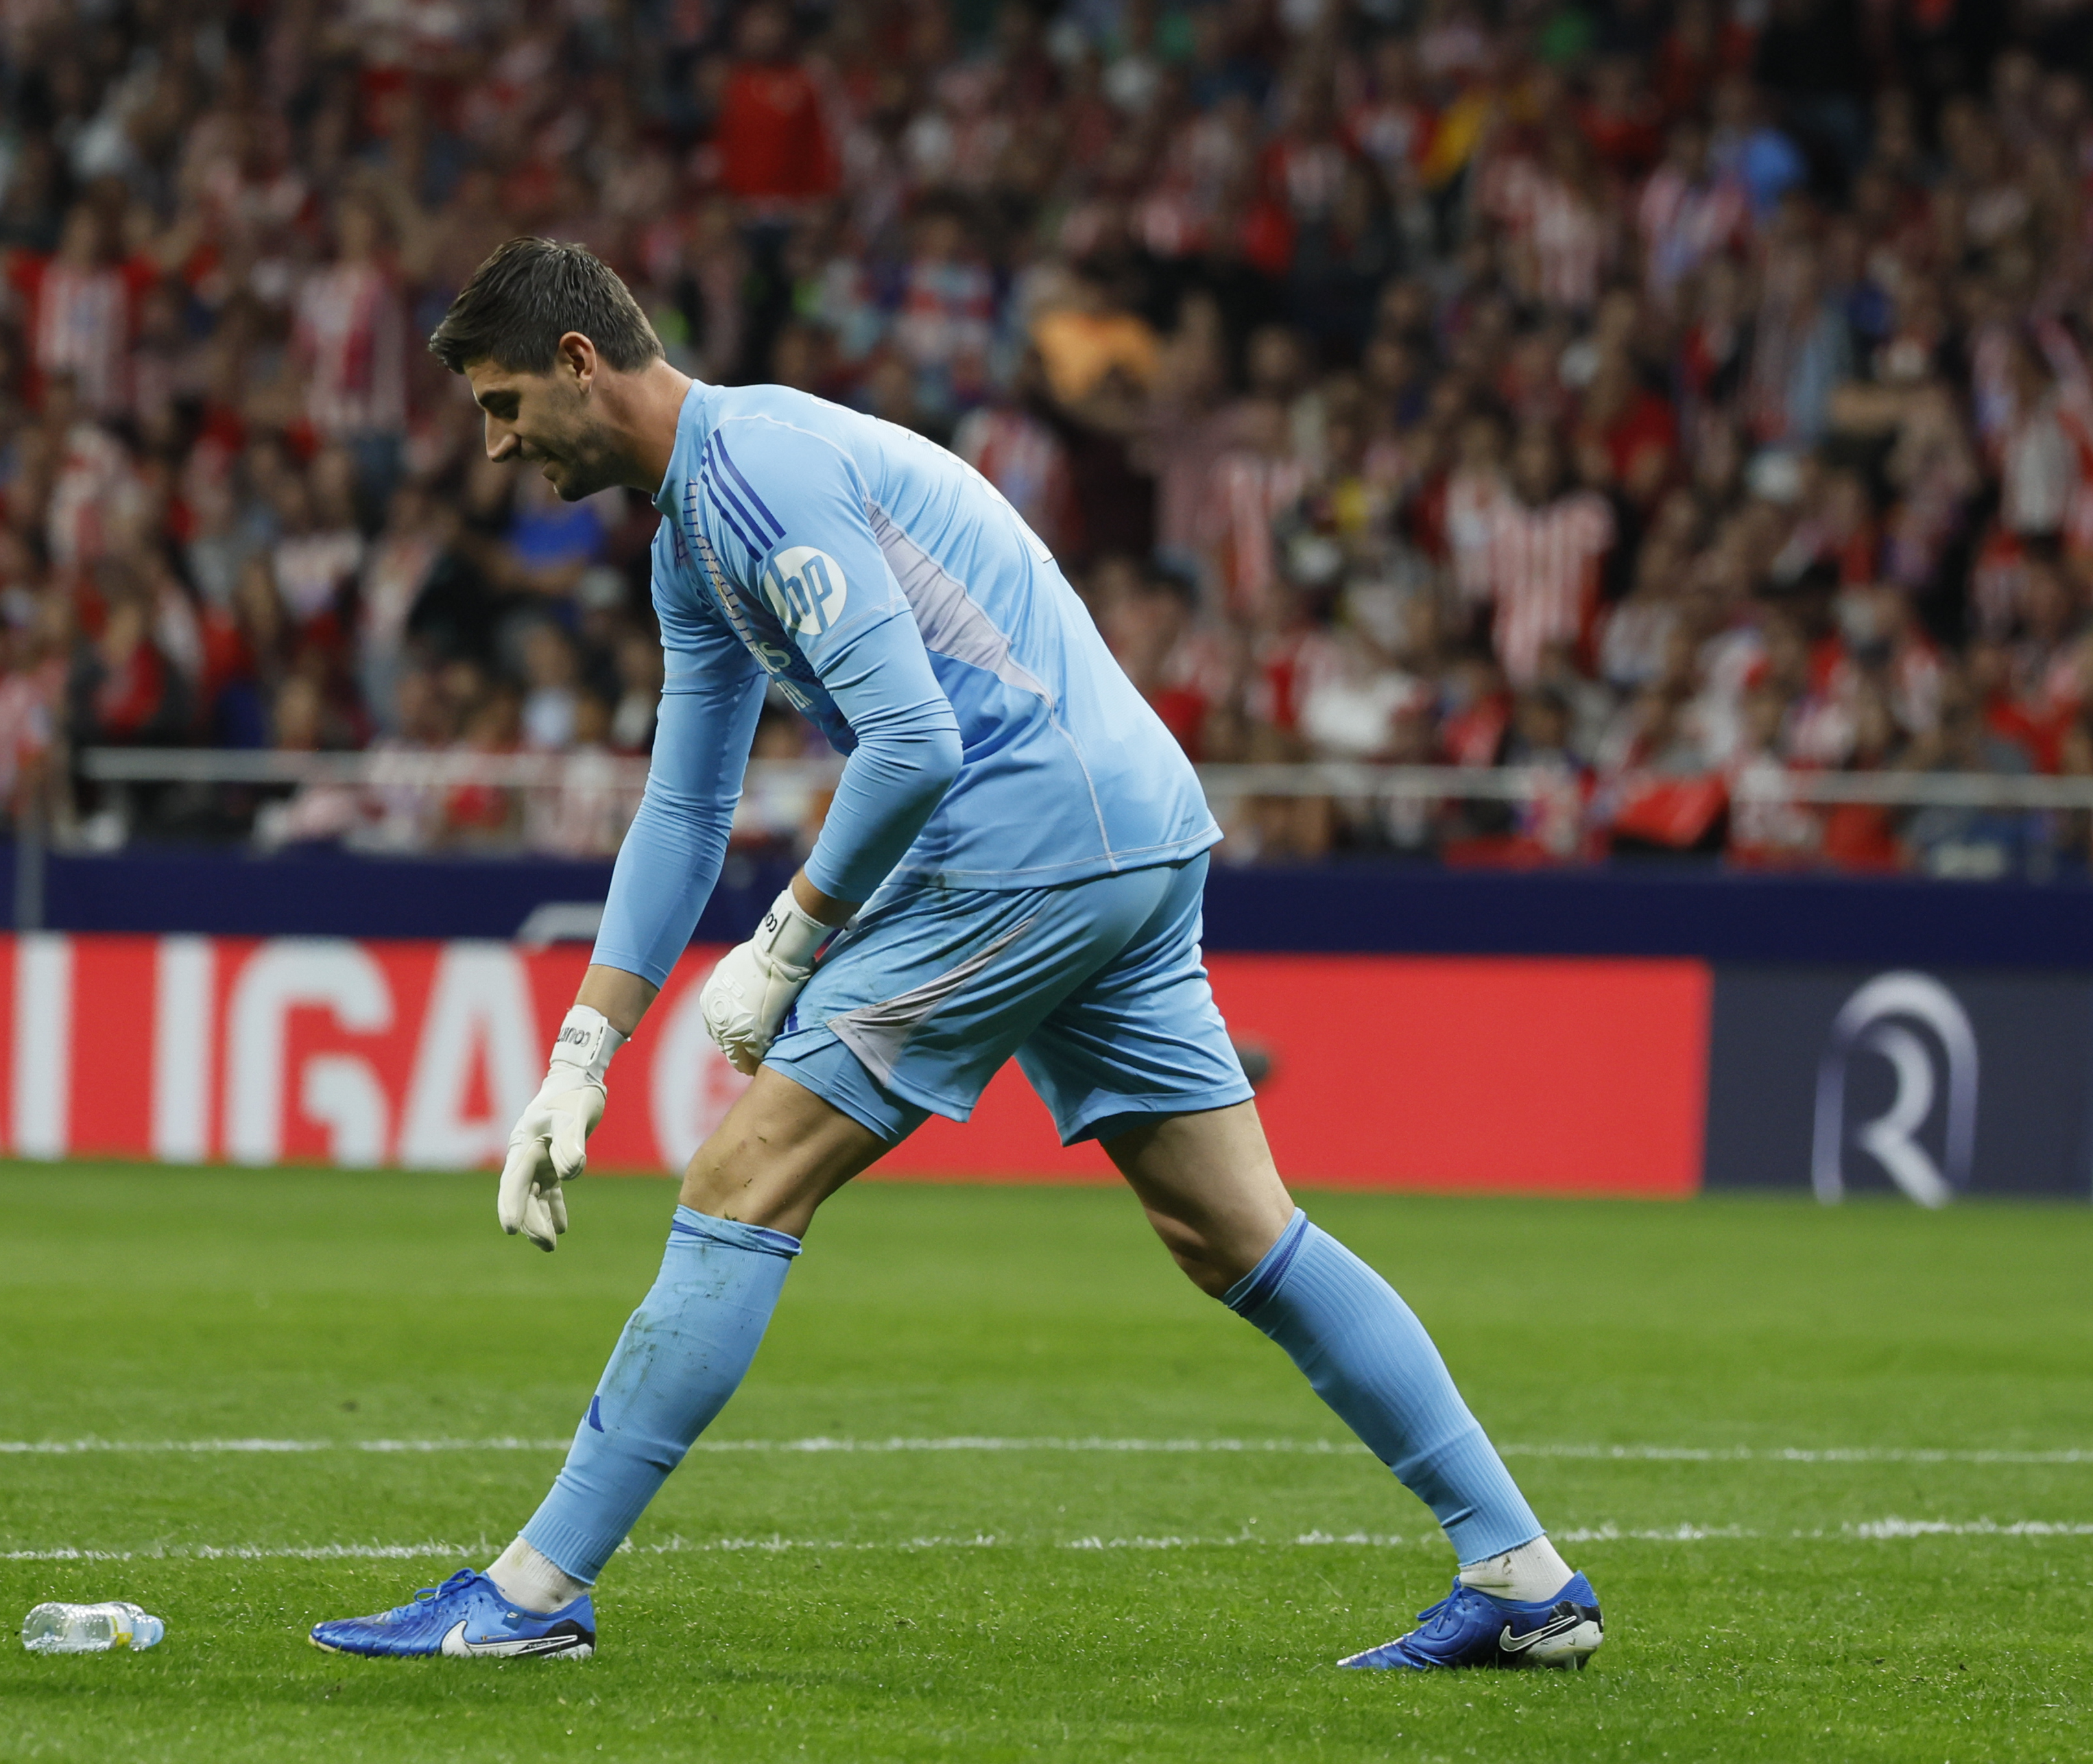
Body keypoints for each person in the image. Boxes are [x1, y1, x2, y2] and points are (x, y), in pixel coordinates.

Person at [308, 239, 1604, 1671]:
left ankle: (532, 1593)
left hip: (1023, 834)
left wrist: (788, 941)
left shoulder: (757, 477)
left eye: (501, 405)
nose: (495, 446)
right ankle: (1524, 1574)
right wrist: (583, 1051)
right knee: (1236, 1230)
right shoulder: (699, 527)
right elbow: (683, 805)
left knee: (745, 1177)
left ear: (577, 362)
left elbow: (917, 743)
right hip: (1131, 827)